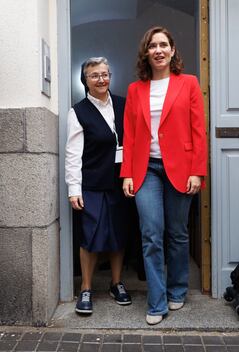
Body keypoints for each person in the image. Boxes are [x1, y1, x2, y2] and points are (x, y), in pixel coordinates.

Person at [121, 26, 207, 325]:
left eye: (163, 45)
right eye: (152, 46)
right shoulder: (135, 90)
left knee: (178, 233)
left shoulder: (189, 84)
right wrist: (127, 174)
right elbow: (130, 135)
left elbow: (198, 131)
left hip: (181, 168)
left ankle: (178, 289)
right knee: (151, 233)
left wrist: (198, 171)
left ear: (172, 50)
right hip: (146, 170)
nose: (158, 50)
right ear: (146, 53)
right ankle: (157, 303)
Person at [65, 57, 132, 315]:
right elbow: (73, 154)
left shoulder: (123, 104)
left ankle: (117, 284)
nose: (101, 79)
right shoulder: (78, 111)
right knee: (90, 235)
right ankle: (86, 288)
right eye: (94, 75)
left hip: (121, 180)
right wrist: (74, 189)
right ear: (85, 80)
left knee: (118, 232)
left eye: (105, 74)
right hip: (92, 183)